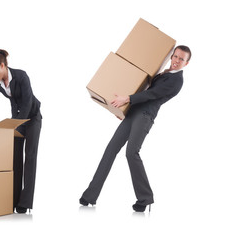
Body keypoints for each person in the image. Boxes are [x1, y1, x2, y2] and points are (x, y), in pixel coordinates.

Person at [79, 45, 191, 212]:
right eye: (175, 56)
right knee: (110, 150)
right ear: (171, 56)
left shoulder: (177, 80)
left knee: (131, 153)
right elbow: (144, 88)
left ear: (186, 63)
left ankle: (145, 198)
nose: (176, 61)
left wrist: (127, 99)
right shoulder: (164, 73)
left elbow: (151, 94)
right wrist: (124, 110)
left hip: (145, 116)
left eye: (181, 59)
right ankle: (90, 196)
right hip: (133, 113)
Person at [0, 49, 42, 214]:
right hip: (16, 120)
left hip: (32, 118)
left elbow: (28, 103)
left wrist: (17, 125)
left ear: (2, 65)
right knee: (14, 159)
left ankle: (25, 202)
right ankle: (13, 199)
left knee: (30, 157)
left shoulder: (21, 76)